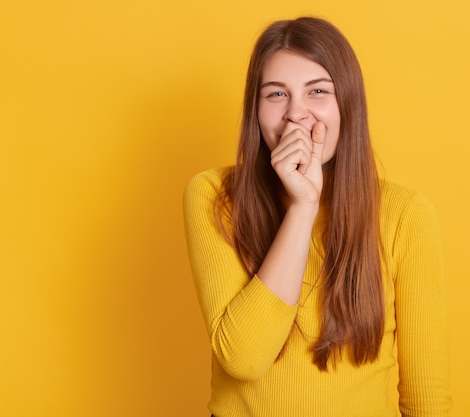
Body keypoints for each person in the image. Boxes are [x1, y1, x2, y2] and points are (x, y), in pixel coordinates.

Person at [183, 16, 451, 417]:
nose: (297, 114)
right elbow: (243, 359)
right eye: (276, 95)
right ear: (255, 110)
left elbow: (426, 398)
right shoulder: (214, 197)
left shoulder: (406, 216)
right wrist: (303, 207)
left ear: (347, 104)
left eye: (318, 92)